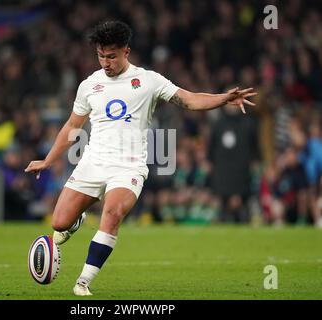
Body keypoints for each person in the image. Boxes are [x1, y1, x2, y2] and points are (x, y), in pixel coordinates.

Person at [24, 21, 257, 296]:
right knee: (58, 223)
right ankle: (75, 221)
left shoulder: (148, 81)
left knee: (112, 214)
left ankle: (83, 281)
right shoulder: (89, 85)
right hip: (93, 162)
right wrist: (48, 160)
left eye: (111, 56)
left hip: (128, 166)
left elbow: (189, 99)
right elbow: (72, 126)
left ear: (126, 51)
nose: (105, 62)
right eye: (101, 55)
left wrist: (223, 98)